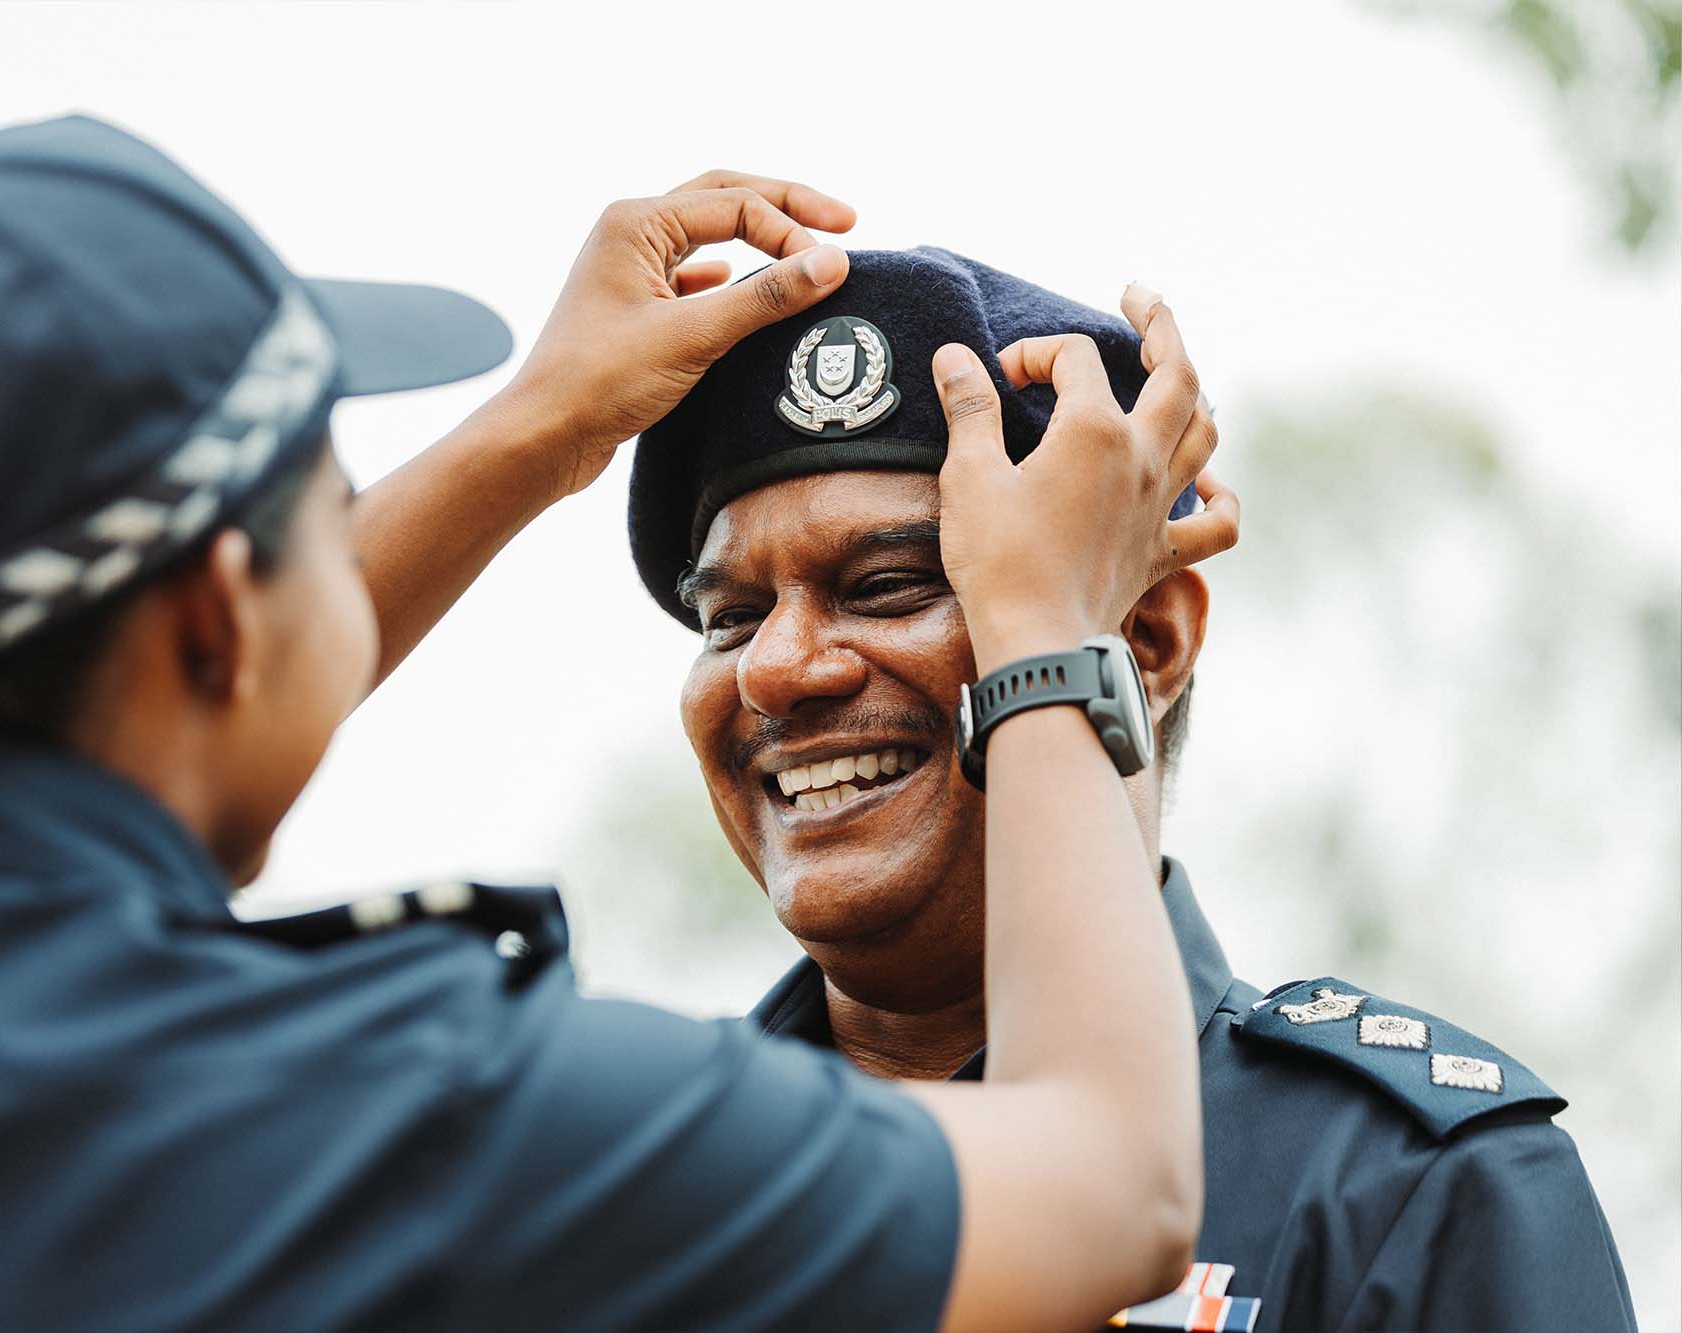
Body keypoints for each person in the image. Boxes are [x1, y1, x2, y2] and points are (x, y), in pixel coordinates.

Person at [0, 117, 1234, 1333]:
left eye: (887, 584)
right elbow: (1115, 1181)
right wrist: (1043, 626)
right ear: (223, 615)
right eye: (332, 500)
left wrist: (546, 428)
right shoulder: (412, 1123)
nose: (781, 666)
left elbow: (135, 718)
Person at [620, 246, 1638, 1333]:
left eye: (887, 586)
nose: (774, 668)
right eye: (730, 618)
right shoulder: (629, 1191)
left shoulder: (1405, 1189)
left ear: (1145, 641)